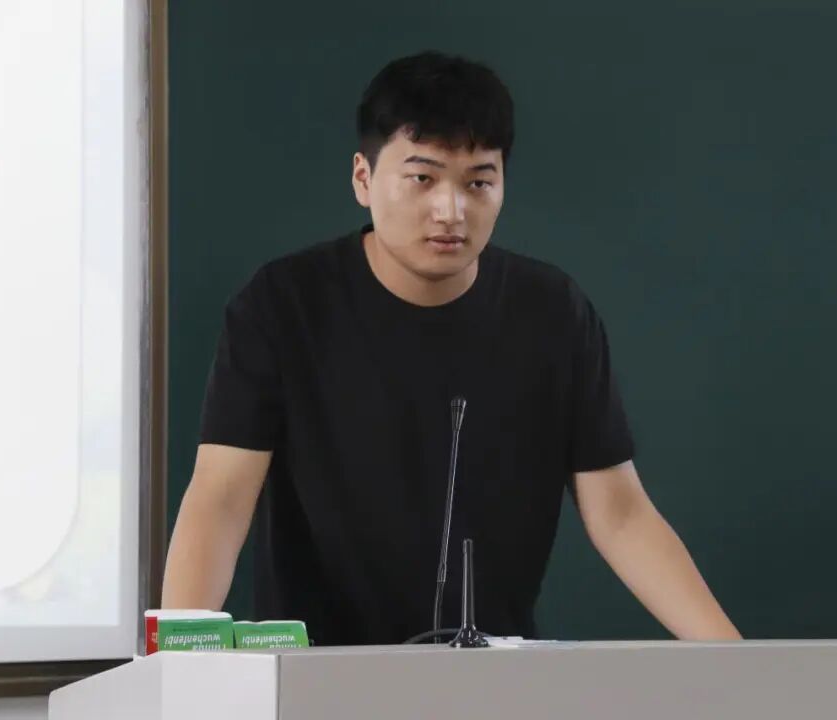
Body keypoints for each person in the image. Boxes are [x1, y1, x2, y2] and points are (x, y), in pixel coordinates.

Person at [161, 50, 741, 645]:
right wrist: (174, 666)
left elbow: (619, 512)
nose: (451, 210)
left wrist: (735, 660)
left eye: (478, 182)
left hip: (491, 672)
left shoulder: (553, 312)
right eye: (423, 178)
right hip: (316, 672)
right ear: (363, 178)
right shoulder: (282, 305)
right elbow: (220, 499)